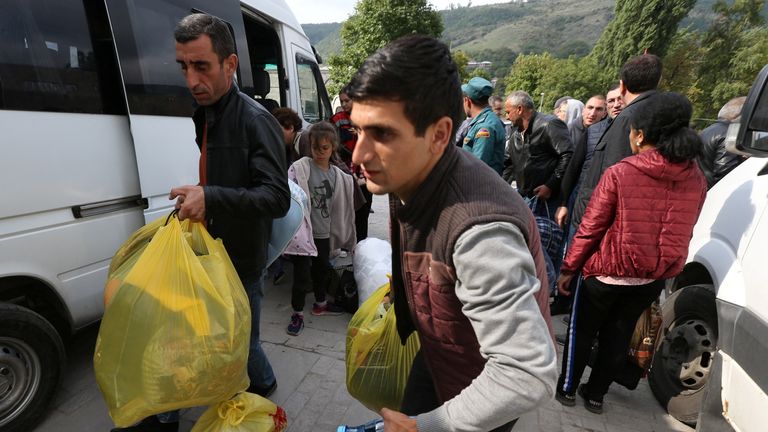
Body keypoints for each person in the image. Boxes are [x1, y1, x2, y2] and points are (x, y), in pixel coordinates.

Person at [348, 35, 556, 432]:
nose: (359, 155)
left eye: (383, 134)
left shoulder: (480, 230)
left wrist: (429, 427)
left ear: (440, 134)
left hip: (482, 390)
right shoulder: (412, 170)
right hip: (438, 353)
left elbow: (527, 373)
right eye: (358, 131)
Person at [112, 13, 290, 432]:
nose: (191, 79)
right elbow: (227, 174)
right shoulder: (204, 112)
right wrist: (200, 194)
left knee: (240, 338)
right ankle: (170, 410)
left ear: (229, 65)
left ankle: (260, 386)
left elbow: (276, 197)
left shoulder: (256, 120)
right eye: (184, 67)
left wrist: (210, 196)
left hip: (241, 257)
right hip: (210, 248)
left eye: (202, 66)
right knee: (207, 335)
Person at [555, 92, 707, 414]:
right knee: (619, 335)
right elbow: (686, 226)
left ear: (639, 135)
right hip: (651, 277)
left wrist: (569, 268)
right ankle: (595, 396)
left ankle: (567, 390)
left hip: (606, 272)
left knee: (581, 332)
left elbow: (591, 227)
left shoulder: (621, 172)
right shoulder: (696, 178)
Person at [571, 53, 662, 231]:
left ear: (622, 86)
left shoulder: (629, 119)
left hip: (606, 224)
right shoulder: (657, 114)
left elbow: (613, 180)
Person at [283, 121, 357, 336]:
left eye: (325, 148)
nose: (320, 152)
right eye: (316, 148)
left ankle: (320, 303)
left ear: (333, 147)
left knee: (322, 270)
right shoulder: (301, 168)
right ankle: (297, 313)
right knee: (301, 276)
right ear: (310, 147)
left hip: (324, 233)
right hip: (303, 234)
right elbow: (288, 188)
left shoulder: (338, 176)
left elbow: (343, 205)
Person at [698, 96, 747, 188]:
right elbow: (726, 175)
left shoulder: (706, 131)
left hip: (701, 191)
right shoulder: (730, 136)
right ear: (738, 115)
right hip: (716, 194)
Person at [460, 77, 507, 175]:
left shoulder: (484, 127)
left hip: (481, 188)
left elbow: (477, 169)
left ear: (467, 101)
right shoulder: (485, 120)